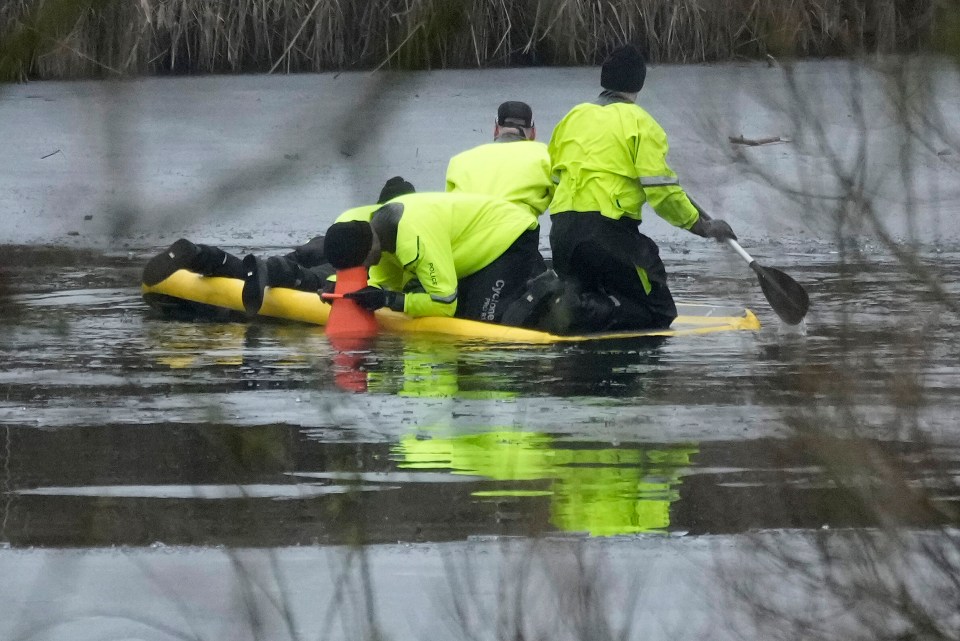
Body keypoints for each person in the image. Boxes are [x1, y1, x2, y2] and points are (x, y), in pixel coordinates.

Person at [544, 44, 738, 334]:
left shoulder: (573, 118)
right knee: (658, 311)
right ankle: (577, 311)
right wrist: (701, 226)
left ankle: (576, 305)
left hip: (562, 236)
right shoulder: (640, 123)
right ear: (639, 82)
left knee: (596, 288)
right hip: (605, 234)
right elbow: (662, 192)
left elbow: (554, 179)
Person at [321, 192, 549, 325]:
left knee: (482, 321)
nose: (363, 271)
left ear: (368, 253)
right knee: (461, 312)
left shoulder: (414, 239)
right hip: (470, 246)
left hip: (510, 235)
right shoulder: (378, 234)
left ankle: (547, 291)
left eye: (358, 269)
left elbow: (445, 304)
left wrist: (389, 300)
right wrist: (343, 293)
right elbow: (384, 284)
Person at [239, 176, 415, 313]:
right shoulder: (401, 227)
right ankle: (275, 269)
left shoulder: (359, 214)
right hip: (350, 258)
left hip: (326, 242)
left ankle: (224, 262)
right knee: (314, 277)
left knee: (285, 262)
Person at [445, 101, 554, 220]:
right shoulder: (545, 156)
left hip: (470, 229)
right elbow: (562, 199)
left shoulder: (459, 161)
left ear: (496, 130)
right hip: (517, 229)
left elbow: (451, 208)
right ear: (533, 133)